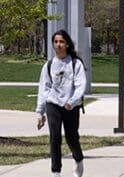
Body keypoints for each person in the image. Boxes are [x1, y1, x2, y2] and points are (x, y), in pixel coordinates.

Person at [36, 29, 87, 177]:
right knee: (55, 137)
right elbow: (43, 88)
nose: (58, 45)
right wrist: (40, 112)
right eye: (56, 42)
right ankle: (56, 172)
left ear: (67, 44)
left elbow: (80, 86)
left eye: (61, 42)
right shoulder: (49, 65)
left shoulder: (75, 63)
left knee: (71, 137)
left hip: (71, 106)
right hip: (54, 105)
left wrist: (72, 101)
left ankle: (78, 159)